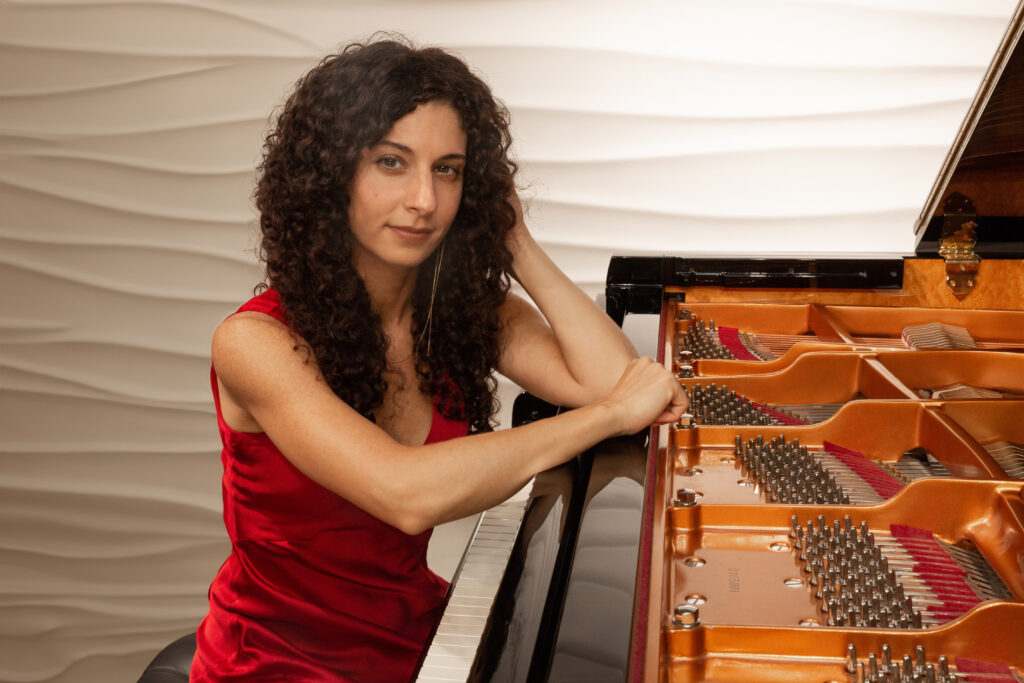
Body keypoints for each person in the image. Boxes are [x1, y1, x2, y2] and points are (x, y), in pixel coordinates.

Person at [190, 37, 688, 682]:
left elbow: (611, 379)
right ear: (332, 174)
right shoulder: (254, 343)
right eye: (392, 162)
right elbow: (406, 494)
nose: (425, 199)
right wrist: (609, 416)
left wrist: (513, 238)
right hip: (275, 665)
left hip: (412, 640)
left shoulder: (458, 312)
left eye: (448, 170)